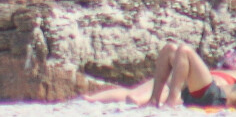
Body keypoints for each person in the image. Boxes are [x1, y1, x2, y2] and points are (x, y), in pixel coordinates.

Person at [83, 42, 236, 108]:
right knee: (170, 49)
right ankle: (153, 100)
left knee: (184, 50)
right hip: (193, 88)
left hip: (213, 97)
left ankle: (171, 100)